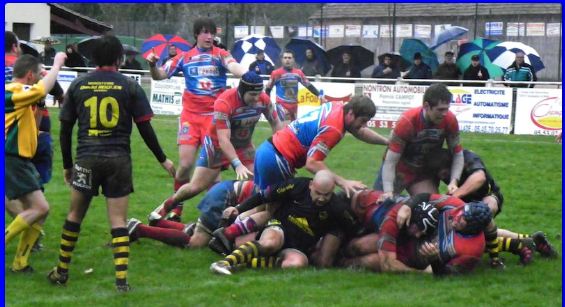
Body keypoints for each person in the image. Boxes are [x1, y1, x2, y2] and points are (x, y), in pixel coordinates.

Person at [47, 35, 175, 292]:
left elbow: (64, 130)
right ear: (119, 58)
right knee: (118, 220)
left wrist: (67, 165)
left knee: (75, 215)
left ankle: (61, 271)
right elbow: (145, 129)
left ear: (93, 58)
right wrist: (163, 159)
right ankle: (121, 281)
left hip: (87, 158)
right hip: (118, 161)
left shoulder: (79, 85)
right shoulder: (129, 86)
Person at [146, 18, 247, 218]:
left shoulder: (220, 54)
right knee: (184, 164)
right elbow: (159, 75)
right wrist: (152, 65)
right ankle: (177, 205)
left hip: (214, 120)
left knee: (213, 173)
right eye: (204, 32)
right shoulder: (184, 57)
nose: (209, 36)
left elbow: (234, 66)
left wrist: (247, 73)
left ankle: (213, 214)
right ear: (196, 35)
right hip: (190, 118)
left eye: (211, 33)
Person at [152, 71, 284, 221]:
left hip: (243, 146)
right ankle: (169, 204)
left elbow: (276, 124)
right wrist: (237, 164)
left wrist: (280, 148)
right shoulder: (225, 102)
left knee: (260, 183)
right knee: (195, 187)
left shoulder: (264, 100)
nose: (256, 98)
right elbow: (223, 139)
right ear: (242, 90)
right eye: (252, 95)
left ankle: (246, 221)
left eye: (258, 94)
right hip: (216, 147)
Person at [209, 171, 357, 274]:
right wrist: (239, 208)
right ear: (311, 185)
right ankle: (224, 263)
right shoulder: (298, 185)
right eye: (318, 193)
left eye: (327, 195)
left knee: (297, 264)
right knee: (270, 243)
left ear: (333, 190)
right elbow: (264, 195)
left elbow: (352, 229)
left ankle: (243, 263)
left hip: (298, 246)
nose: (322, 199)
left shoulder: (337, 208)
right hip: (279, 228)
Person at [425, 148, 558, 262]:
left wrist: (454, 196)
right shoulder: (437, 166)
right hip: (466, 204)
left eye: (443, 173)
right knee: (471, 231)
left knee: (481, 219)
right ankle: (529, 241)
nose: (441, 176)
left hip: (488, 196)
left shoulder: (467, 157)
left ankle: (516, 246)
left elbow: (479, 178)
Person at [5, 51, 66, 272]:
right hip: (12, 158)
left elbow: (36, 112)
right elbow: (41, 89)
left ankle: (20, 262)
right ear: (30, 76)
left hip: (20, 159)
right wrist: (57, 64)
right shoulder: (13, 91)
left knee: (41, 210)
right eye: (37, 75)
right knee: (39, 207)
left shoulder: (19, 92)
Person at [374, 83, 463, 200]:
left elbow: (457, 153)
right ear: (426, 106)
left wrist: (454, 181)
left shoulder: (450, 120)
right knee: (378, 208)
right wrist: (388, 191)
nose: (444, 113)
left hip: (421, 171)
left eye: (447, 109)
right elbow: (390, 161)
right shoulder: (407, 121)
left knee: (430, 208)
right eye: (440, 109)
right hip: (398, 168)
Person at [127, 180, 258, 249]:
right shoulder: (274, 192)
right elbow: (251, 217)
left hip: (226, 190)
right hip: (225, 197)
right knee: (197, 243)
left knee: (206, 233)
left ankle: (160, 223)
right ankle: (139, 229)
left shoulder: (275, 184)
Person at [265, 49, 321, 121]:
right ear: (282, 60)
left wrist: (319, 95)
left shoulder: (299, 73)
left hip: (294, 106)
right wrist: (267, 104)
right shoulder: (276, 73)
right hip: (282, 105)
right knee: (284, 127)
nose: (287, 60)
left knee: (292, 129)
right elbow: (268, 88)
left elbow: (308, 86)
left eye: (289, 58)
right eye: (285, 58)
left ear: (293, 60)